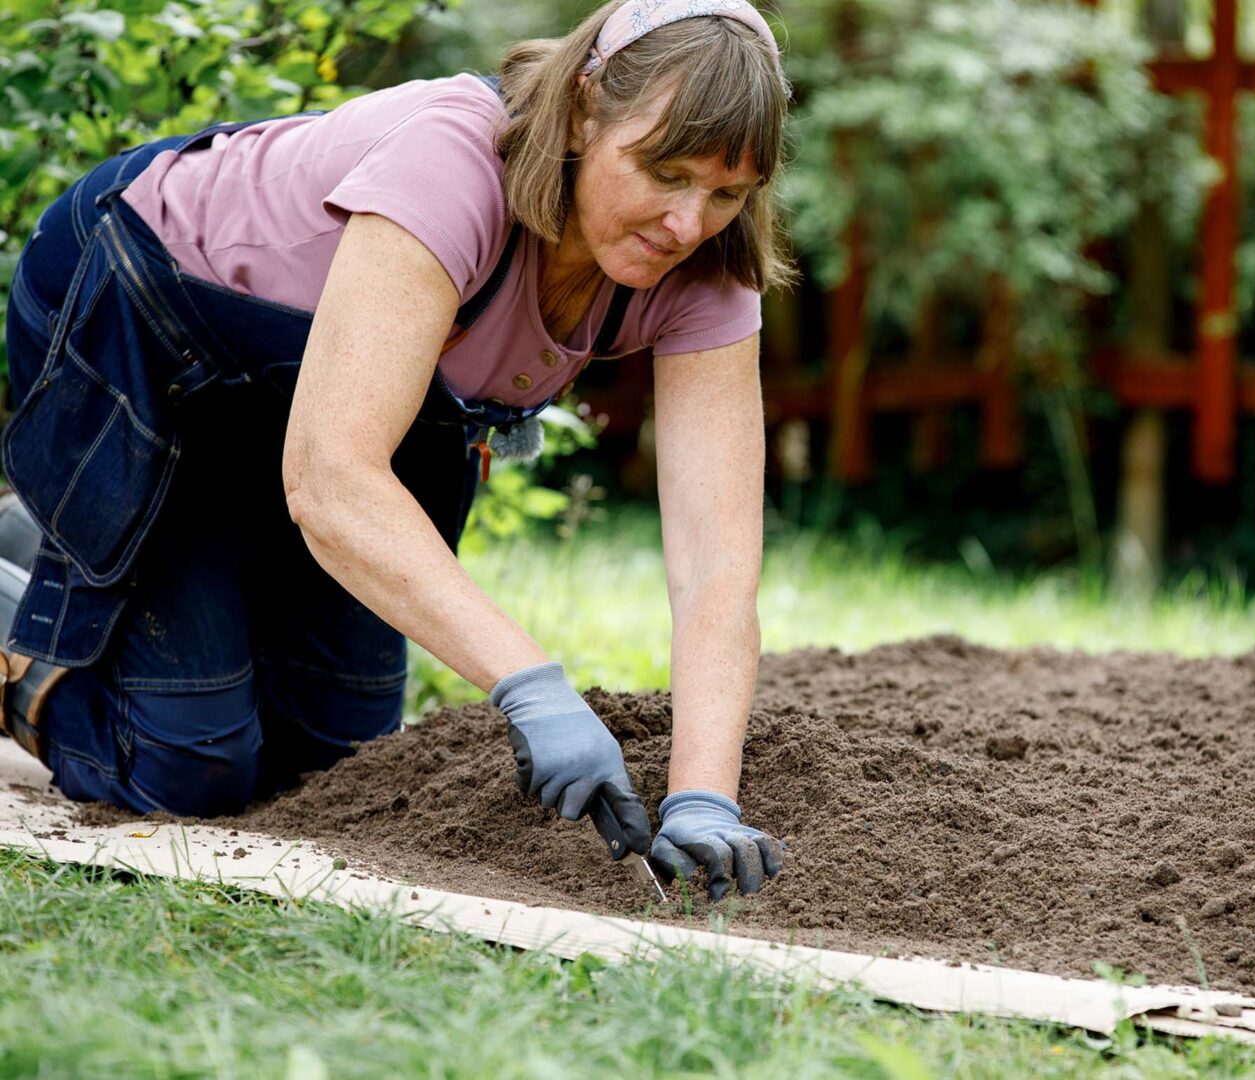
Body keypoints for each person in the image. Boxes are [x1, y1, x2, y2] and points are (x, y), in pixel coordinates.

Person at [0, 0, 789, 901]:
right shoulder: (454, 165)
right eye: (664, 172)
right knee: (190, 765)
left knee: (334, 769)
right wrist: (530, 685)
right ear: (583, 110)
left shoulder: (705, 271)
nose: (688, 224)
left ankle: (66, 543)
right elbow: (332, 479)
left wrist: (703, 797)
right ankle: (30, 590)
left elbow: (716, 564)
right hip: (147, 322)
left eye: (727, 194)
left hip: (337, 400)